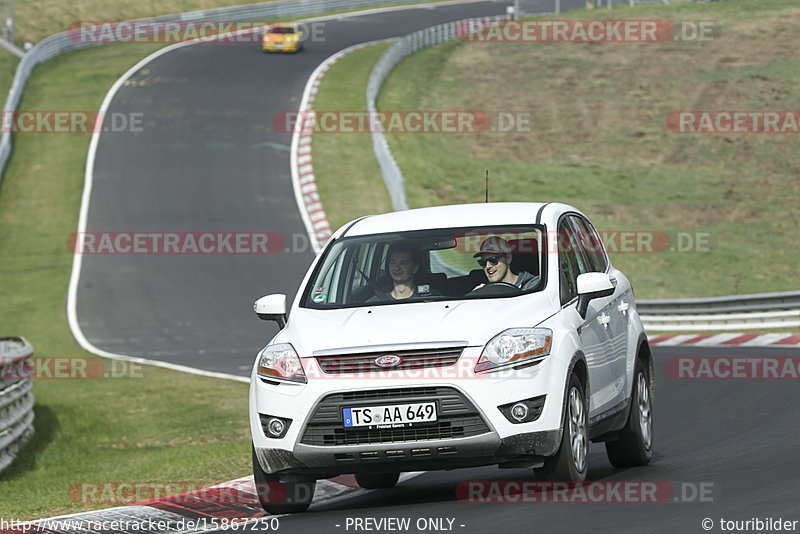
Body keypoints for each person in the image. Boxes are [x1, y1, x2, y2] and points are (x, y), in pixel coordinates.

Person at [367, 243, 437, 302]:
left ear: (415, 268)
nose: (396, 268)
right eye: (392, 263)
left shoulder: (432, 298)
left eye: (403, 263)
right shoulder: (374, 303)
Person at [472, 236, 540, 291]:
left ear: (508, 259)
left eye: (493, 260)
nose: (488, 266)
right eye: (483, 262)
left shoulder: (534, 286)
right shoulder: (484, 290)